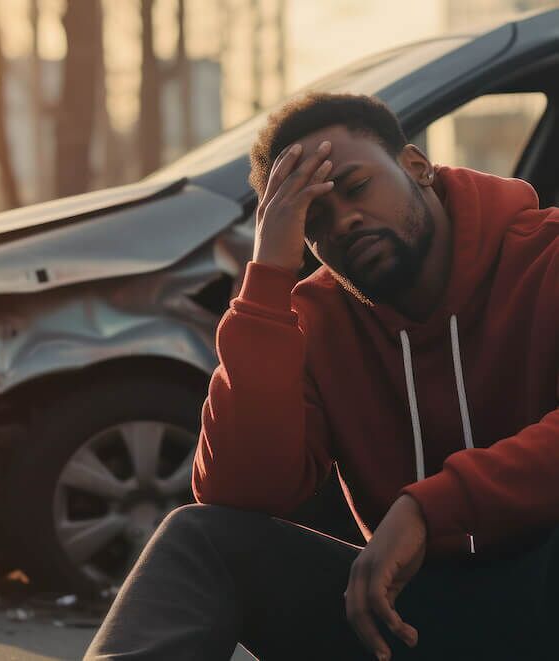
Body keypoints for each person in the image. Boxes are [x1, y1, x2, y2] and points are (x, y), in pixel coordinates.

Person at [84, 93, 558, 661]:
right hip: (406, 618)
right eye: (315, 219)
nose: (346, 222)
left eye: (356, 188)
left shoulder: (545, 257)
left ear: (416, 166)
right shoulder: (311, 320)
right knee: (198, 538)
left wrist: (430, 508)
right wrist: (267, 279)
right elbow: (240, 491)